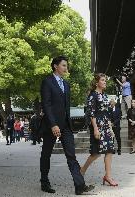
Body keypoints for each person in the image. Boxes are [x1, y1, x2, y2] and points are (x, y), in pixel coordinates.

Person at [39, 55, 93, 195]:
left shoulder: (67, 84)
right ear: (55, 66)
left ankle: (79, 185)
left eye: (66, 66)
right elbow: (46, 105)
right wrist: (53, 124)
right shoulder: (47, 82)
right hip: (51, 125)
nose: (66, 68)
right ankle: (44, 182)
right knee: (46, 154)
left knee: (71, 155)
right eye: (63, 65)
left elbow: (65, 107)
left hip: (66, 126)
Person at [81, 73, 118, 187]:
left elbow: (106, 113)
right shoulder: (93, 95)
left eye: (105, 80)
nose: (105, 82)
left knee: (109, 150)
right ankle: (82, 170)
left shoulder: (105, 95)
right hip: (97, 125)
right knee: (96, 153)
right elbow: (91, 113)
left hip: (106, 125)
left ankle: (108, 176)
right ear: (97, 83)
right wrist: (96, 129)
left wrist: (110, 128)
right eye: (103, 80)